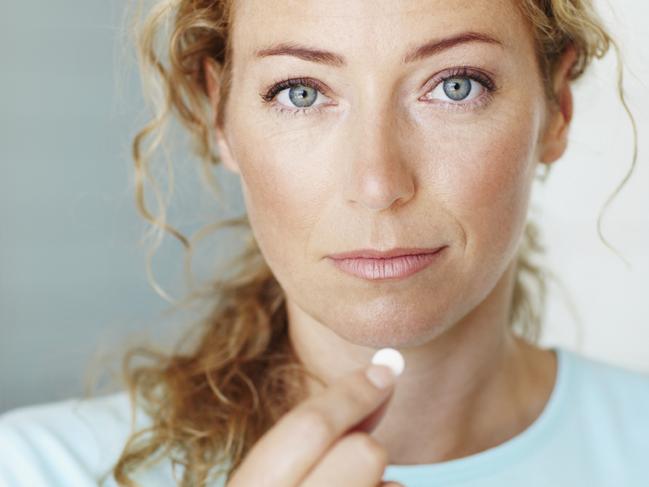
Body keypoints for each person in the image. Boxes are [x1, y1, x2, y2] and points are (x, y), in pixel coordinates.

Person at [0, 0, 647, 486]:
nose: (376, 183)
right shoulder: (39, 468)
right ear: (219, 113)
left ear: (555, 108)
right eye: (301, 92)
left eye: (455, 85)